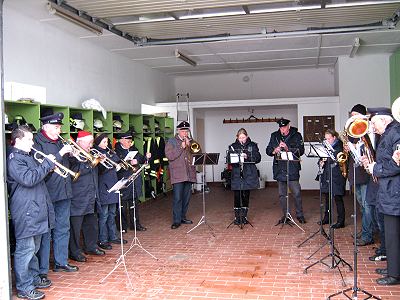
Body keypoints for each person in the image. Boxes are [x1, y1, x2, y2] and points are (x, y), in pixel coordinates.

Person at [7, 125, 56, 300]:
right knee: (25, 250)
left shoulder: (26, 156)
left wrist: (48, 169)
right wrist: (46, 164)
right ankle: (24, 287)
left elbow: (38, 178)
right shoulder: (14, 159)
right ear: (18, 140)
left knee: (33, 249)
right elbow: (28, 179)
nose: (32, 143)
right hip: (26, 210)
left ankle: (33, 278)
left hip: (34, 208)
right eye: (29, 139)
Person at [34, 113, 78, 273]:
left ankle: (61, 261)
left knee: (63, 228)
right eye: (56, 127)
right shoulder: (38, 143)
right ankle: (43, 269)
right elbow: (43, 168)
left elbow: (67, 165)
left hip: (64, 192)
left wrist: (72, 156)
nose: (59, 130)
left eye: (59, 127)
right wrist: (61, 154)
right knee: (46, 232)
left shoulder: (60, 141)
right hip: (48, 193)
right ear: (46, 127)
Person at [361, 107, 400, 286]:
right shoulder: (388, 133)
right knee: (390, 233)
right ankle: (393, 267)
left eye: (374, 123)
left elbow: (396, 164)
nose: (373, 127)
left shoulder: (395, 133)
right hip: (388, 190)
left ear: (384, 120)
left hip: (394, 191)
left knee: (393, 234)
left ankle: (394, 275)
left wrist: (374, 168)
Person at [68, 131, 105, 263]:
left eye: (91, 142)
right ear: (79, 142)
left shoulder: (90, 154)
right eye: (88, 142)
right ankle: (75, 252)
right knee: (75, 228)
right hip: (78, 196)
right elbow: (73, 174)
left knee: (91, 224)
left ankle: (91, 246)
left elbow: (98, 172)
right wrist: (89, 164)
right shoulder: (72, 155)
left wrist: (100, 162)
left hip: (91, 195)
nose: (91, 145)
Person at [266, 118, 306, 224]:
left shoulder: (297, 135)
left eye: (284, 127)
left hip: (292, 168)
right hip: (279, 168)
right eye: (280, 127)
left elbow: (301, 150)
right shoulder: (274, 135)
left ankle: (300, 215)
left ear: (289, 126)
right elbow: (268, 150)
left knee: (296, 193)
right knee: (282, 194)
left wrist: (288, 148)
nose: (282, 129)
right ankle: (286, 215)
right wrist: (275, 150)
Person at [346, 104, 375, 245]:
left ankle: (367, 235)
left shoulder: (367, 131)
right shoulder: (352, 133)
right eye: (351, 115)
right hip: (355, 174)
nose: (352, 118)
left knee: (367, 205)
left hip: (366, 174)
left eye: (355, 115)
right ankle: (367, 230)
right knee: (362, 206)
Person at [94, 133, 127, 250]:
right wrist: (105, 160)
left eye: (107, 142)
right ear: (98, 143)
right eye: (104, 142)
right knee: (103, 216)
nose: (106, 144)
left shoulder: (110, 152)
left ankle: (113, 236)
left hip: (113, 185)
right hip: (103, 187)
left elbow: (118, 161)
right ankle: (103, 239)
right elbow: (99, 170)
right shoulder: (95, 153)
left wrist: (117, 163)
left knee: (112, 214)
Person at [114, 131, 151, 232]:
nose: (130, 142)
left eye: (130, 141)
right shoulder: (116, 151)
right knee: (122, 206)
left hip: (135, 180)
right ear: (121, 140)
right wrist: (129, 162)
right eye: (128, 141)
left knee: (134, 204)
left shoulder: (134, 149)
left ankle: (135, 224)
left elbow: (142, 159)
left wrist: (145, 158)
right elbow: (116, 166)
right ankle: (122, 226)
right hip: (124, 180)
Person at [165, 121, 196, 229]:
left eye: (186, 131)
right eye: (183, 131)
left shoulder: (191, 141)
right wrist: (181, 147)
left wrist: (190, 145)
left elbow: (197, 152)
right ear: (178, 131)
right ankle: (176, 220)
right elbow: (170, 156)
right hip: (178, 174)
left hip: (189, 173)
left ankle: (183, 217)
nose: (185, 133)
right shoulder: (171, 141)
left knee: (186, 198)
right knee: (177, 198)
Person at [227, 128, 261, 225]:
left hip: (248, 173)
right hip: (237, 173)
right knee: (237, 195)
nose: (242, 139)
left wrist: (248, 157)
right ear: (237, 137)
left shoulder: (253, 145)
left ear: (247, 136)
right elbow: (229, 160)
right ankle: (237, 217)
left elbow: (258, 158)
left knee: (246, 195)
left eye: (244, 137)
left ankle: (244, 217)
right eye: (240, 137)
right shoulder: (233, 146)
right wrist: (235, 158)